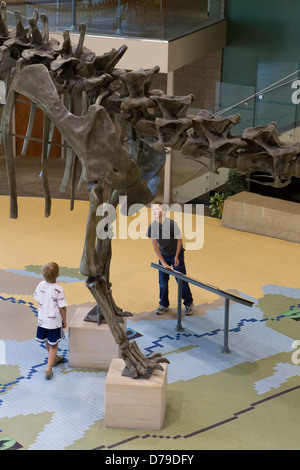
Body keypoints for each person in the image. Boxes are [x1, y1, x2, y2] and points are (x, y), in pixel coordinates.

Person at [147, 203, 193, 316]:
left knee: (181, 280)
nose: (153, 211)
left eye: (156, 209)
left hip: (176, 254)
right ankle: (164, 304)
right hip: (163, 255)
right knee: (162, 281)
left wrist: (177, 257)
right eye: (153, 209)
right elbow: (155, 246)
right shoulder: (152, 226)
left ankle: (189, 303)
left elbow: (179, 240)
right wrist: (163, 262)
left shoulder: (172, 224)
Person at [33, 262, 67, 379]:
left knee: (47, 340)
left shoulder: (40, 285)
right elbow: (62, 307)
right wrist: (64, 320)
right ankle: (48, 368)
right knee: (54, 344)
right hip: (54, 322)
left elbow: (37, 299)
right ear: (57, 274)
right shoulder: (59, 289)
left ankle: (55, 358)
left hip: (42, 320)